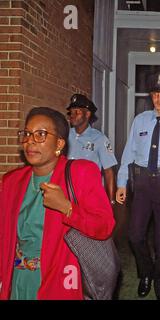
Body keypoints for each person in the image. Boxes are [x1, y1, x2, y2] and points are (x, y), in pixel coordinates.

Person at [0, 107, 115, 300]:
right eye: (27, 134)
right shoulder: (12, 181)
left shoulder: (81, 173)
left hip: (60, 282)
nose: (30, 141)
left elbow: (105, 226)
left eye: (41, 134)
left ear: (59, 143)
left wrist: (67, 208)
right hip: (18, 281)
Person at [116, 73, 160, 299]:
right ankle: (145, 271)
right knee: (135, 235)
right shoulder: (140, 120)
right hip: (142, 182)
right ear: (151, 96)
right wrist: (122, 183)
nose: (159, 98)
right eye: (155, 93)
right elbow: (129, 151)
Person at [66, 93, 118, 203]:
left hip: (89, 197)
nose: (73, 115)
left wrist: (111, 202)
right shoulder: (65, 135)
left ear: (87, 114)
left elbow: (109, 172)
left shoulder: (99, 139)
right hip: (66, 193)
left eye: (78, 111)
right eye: (71, 111)